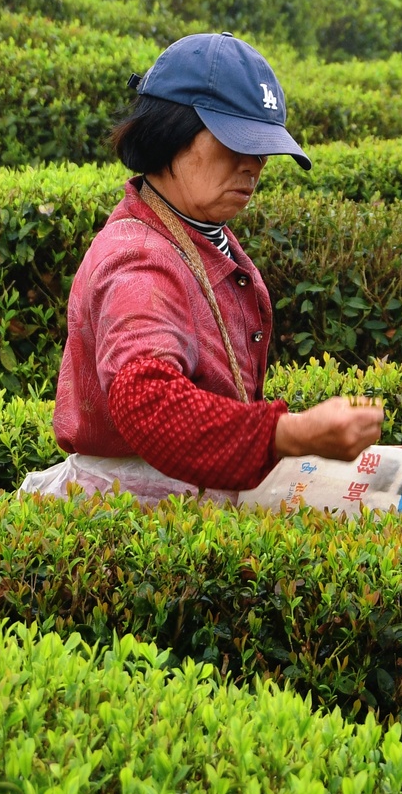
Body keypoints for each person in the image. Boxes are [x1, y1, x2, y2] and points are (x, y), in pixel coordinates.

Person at [47, 32, 385, 497]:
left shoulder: (199, 229)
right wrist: (289, 433)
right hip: (139, 515)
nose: (253, 166)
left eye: (262, 148)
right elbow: (146, 399)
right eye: (234, 143)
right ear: (170, 133)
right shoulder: (138, 260)